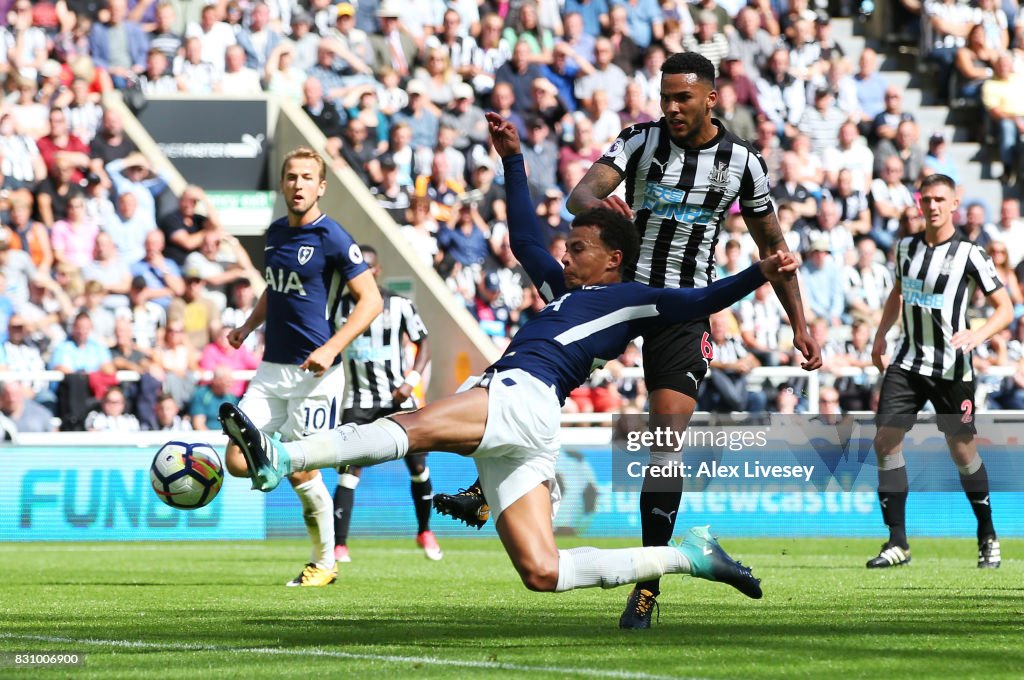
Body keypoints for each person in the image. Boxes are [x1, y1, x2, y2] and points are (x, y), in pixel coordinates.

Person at [219, 112, 801, 605]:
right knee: (542, 573)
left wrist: (759, 271)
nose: (564, 257)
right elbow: (524, 241)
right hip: (531, 423)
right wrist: (514, 162)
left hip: (520, 394)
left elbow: (699, 298)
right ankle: (686, 556)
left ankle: (283, 456)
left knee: (412, 428)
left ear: (613, 258)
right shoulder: (567, 291)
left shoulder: (631, 298)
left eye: (578, 249)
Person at [436, 52, 820, 628]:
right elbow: (580, 197)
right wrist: (598, 205)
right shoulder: (639, 142)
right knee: (539, 363)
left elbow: (773, 246)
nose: (671, 108)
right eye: (665, 97)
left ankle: (647, 587)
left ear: (711, 98)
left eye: (682, 98)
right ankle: (485, 485)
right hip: (618, 293)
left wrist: (799, 322)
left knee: (664, 444)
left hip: (683, 309)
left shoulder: (743, 162)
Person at [223, 147, 382, 587]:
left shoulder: (333, 237)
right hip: (271, 371)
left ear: (321, 186)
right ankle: (276, 462)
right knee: (236, 459)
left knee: (302, 468)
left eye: (307, 178)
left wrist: (332, 348)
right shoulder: (274, 234)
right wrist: (246, 325)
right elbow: (275, 290)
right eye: (291, 177)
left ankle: (325, 563)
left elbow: (371, 301)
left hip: (314, 375)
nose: (298, 185)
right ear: (282, 184)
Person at [868, 173, 1013, 570]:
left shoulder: (971, 253)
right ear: (919, 203)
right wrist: (881, 337)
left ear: (954, 205)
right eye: (926, 199)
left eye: (939, 199)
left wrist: (978, 334)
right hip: (908, 362)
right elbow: (897, 292)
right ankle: (897, 542)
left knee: (962, 450)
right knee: (885, 441)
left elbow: (1005, 307)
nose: (931, 206)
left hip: (953, 369)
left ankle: (987, 534)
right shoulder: (904, 248)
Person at [331, 246, 439, 564]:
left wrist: (411, 381)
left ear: (377, 272)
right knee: (348, 472)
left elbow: (424, 343)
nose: (359, 275)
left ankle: (424, 531)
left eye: (366, 269)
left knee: (418, 468)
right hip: (358, 400)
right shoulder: (337, 308)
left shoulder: (399, 305)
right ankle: (339, 544)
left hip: (399, 397)